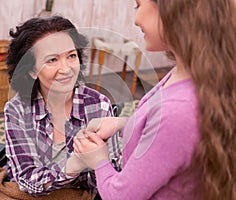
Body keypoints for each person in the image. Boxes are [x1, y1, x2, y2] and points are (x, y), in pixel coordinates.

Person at [73, 0, 236, 199]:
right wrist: (123, 123)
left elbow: (121, 195)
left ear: (173, 11)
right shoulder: (189, 75)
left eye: (138, 6)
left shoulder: (177, 113)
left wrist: (98, 159)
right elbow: (175, 139)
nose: (136, 19)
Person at [1, 15, 121, 199]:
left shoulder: (98, 105)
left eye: (71, 56)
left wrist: (99, 163)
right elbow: (26, 180)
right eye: (52, 60)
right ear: (32, 70)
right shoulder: (17, 110)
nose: (66, 69)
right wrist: (73, 166)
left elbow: (111, 177)